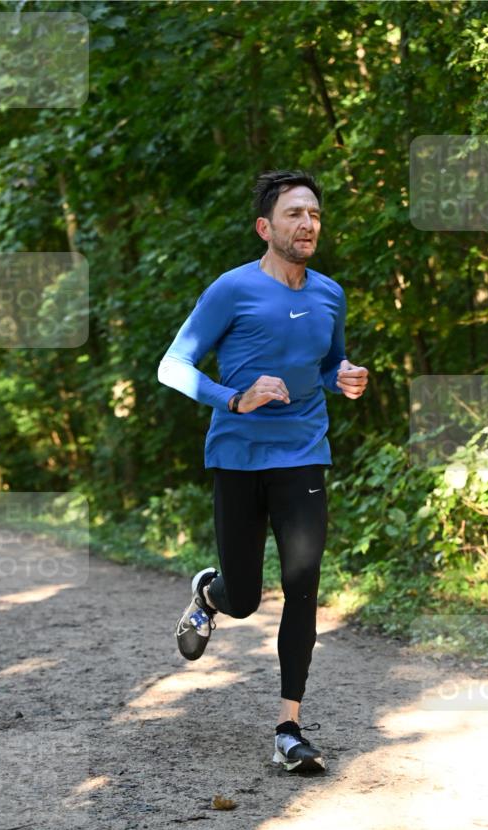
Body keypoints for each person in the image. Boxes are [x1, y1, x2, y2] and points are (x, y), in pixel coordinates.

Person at [157, 169, 368, 774]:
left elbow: (328, 364)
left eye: (315, 215)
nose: (307, 224)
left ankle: (288, 728)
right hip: (238, 456)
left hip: (304, 452)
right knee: (245, 598)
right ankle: (210, 592)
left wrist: (343, 376)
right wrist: (235, 397)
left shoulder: (329, 294)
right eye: (295, 214)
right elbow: (173, 366)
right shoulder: (232, 289)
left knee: (303, 584)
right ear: (265, 226)